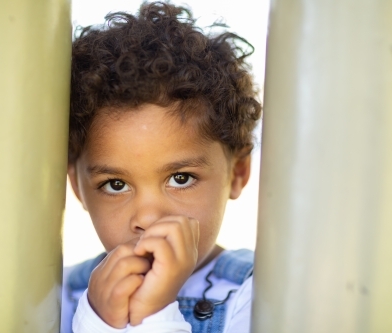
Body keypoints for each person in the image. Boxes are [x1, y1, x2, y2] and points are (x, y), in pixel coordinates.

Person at [61, 2, 262, 332]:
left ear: (237, 173)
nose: (149, 218)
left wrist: (151, 316)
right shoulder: (60, 294)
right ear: (78, 188)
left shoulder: (257, 297)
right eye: (115, 184)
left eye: (180, 178)